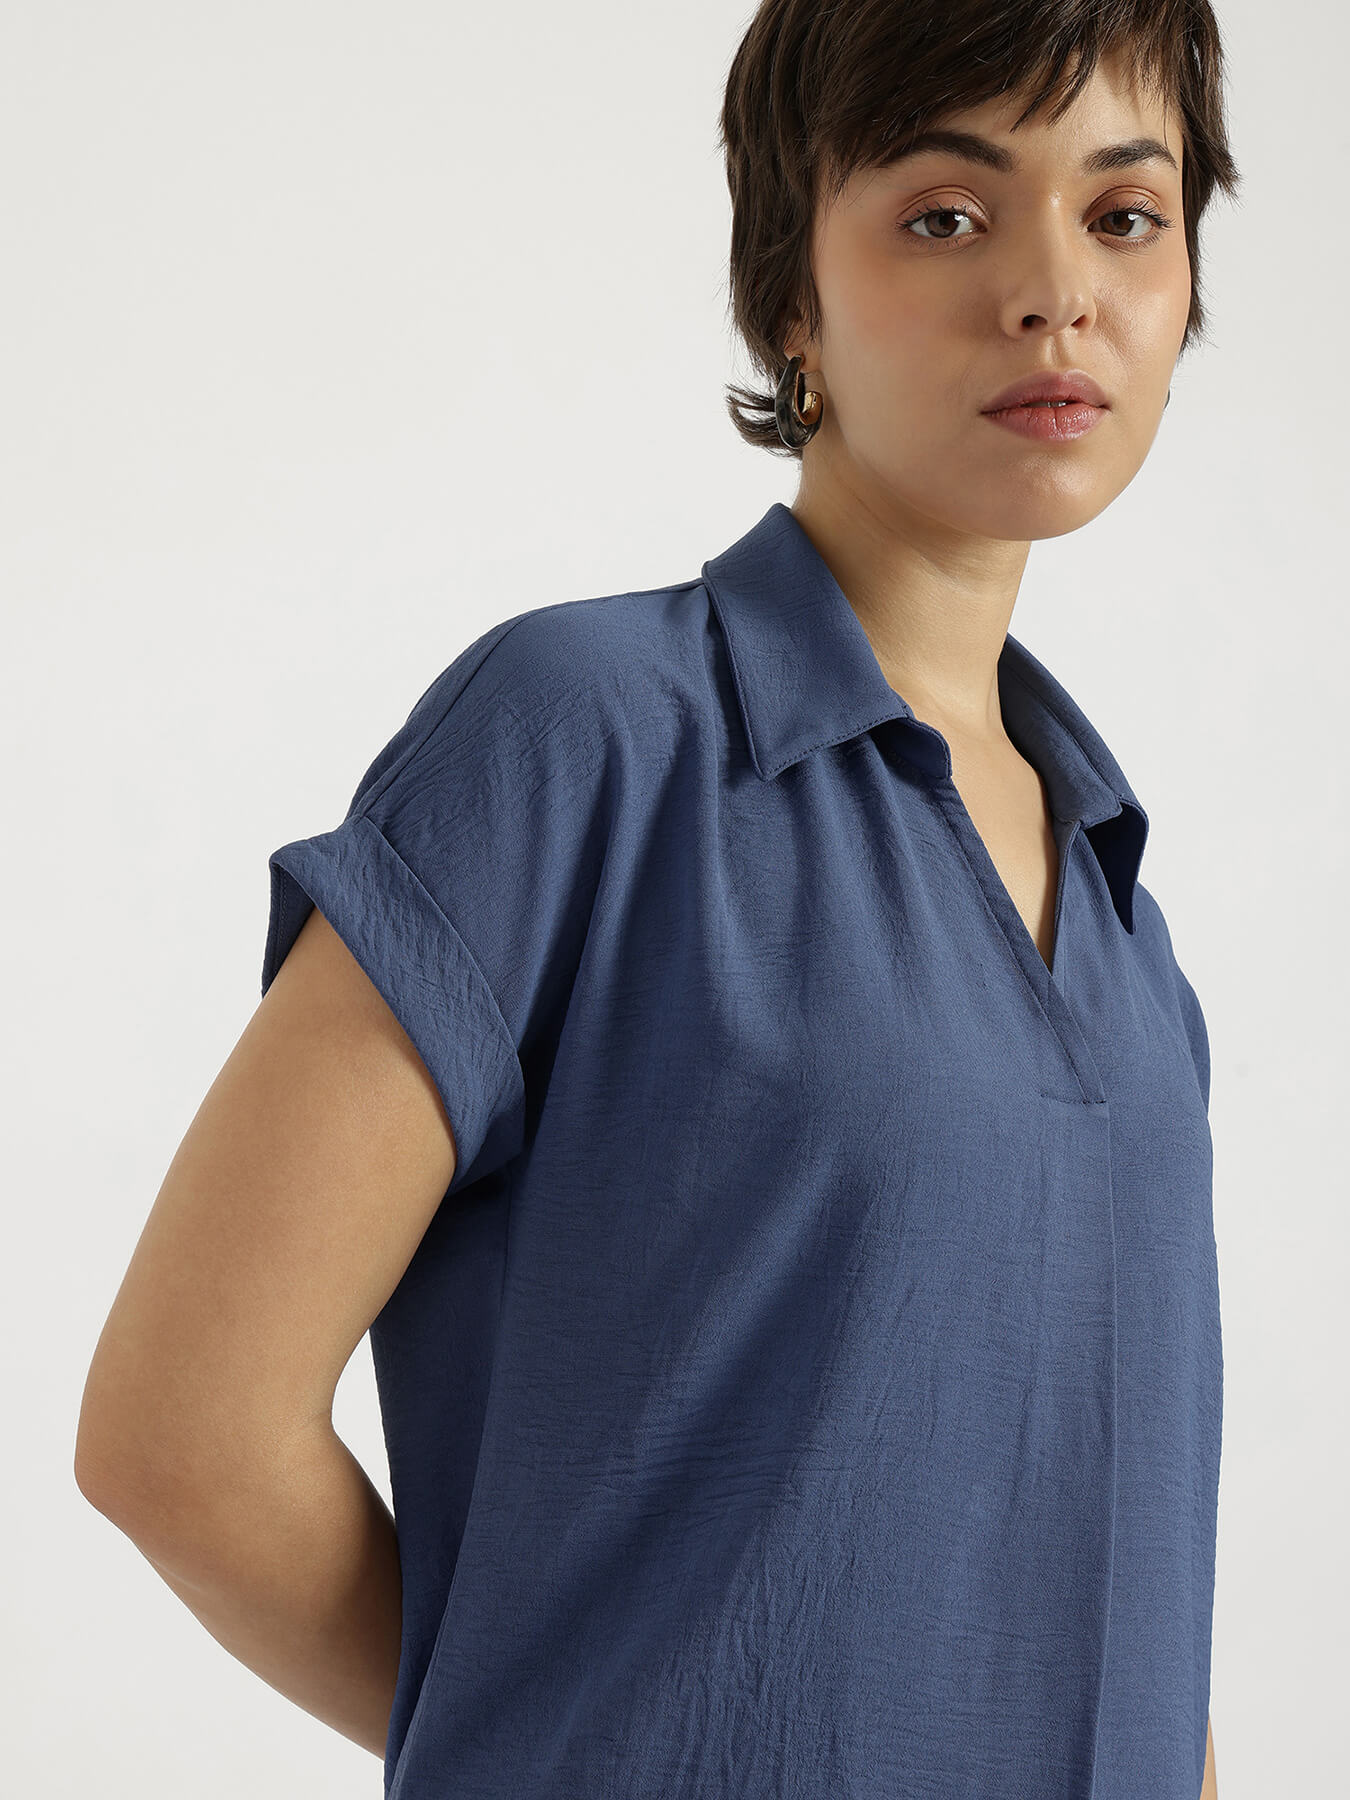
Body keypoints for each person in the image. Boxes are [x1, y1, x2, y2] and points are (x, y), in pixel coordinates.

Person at [75, 3, 1240, 1796]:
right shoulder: (580, 745)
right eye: (945, 211)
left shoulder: (1123, 916)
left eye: (1123, 213)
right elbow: (182, 1434)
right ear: (791, 300)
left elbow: (1123, 1594)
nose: (1050, 293)